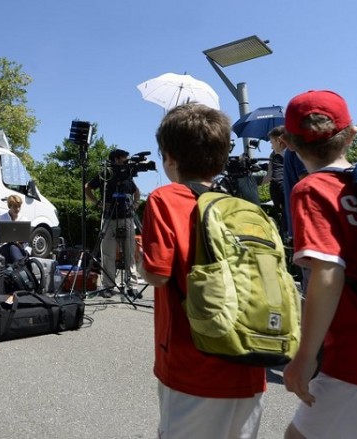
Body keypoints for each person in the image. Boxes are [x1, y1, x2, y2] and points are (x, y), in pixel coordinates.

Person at [139, 103, 266, 438]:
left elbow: (156, 274)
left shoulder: (165, 199)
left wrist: (141, 256)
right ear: (222, 157)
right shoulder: (242, 206)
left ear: (169, 157)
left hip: (192, 367)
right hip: (250, 363)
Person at [280, 90, 357, 438]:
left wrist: (304, 357)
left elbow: (327, 274)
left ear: (289, 144)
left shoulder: (312, 190)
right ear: (352, 133)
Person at [85, 149, 140, 298]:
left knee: (129, 253)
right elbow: (87, 187)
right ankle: (107, 286)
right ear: (116, 159)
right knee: (108, 254)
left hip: (127, 216)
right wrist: (98, 204)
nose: (126, 162)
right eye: (124, 159)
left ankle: (132, 286)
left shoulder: (127, 175)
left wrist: (135, 204)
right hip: (108, 217)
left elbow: (137, 192)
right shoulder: (105, 174)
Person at [261, 126, 287, 237]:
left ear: (279, 140)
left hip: (284, 197)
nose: (271, 146)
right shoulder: (296, 153)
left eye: (272, 142)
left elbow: (274, 178)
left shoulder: (277, 156)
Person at [0, 194, 29, 264]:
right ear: (9, 206)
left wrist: (19, 243)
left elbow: (26, 242)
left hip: (19, 248)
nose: (17, 209)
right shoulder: (1, 219)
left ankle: (19, 266)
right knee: (11, 246)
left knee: (14, 247)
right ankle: (20, 267)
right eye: (15, 206)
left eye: (19, 206)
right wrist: (6, 241)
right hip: (3, 248)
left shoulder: (24, 220)